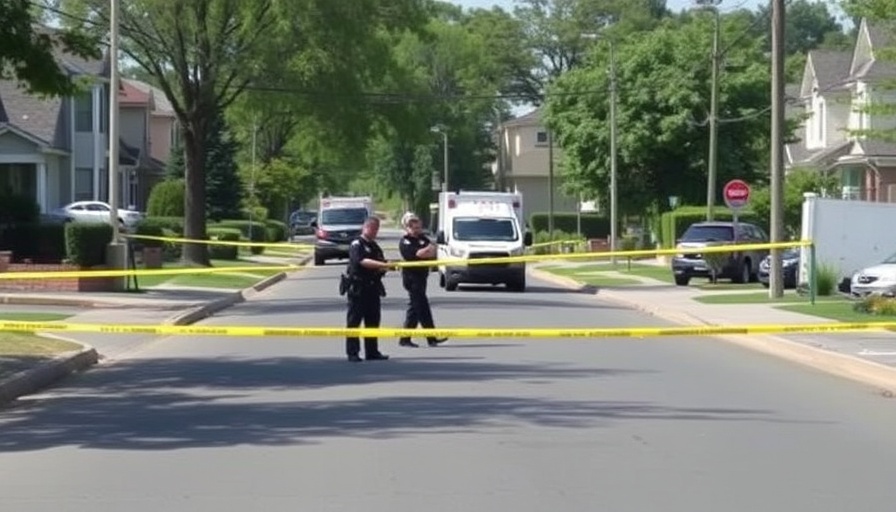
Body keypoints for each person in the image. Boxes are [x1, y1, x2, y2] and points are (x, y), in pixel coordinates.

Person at [343, 216, 393, 362]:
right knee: (354, 321)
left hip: (373, 288)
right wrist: (381, 265)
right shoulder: (356, 244)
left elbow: (381, 262)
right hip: (358, 288)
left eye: (376, 229)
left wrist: (387, 266)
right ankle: (353, 352)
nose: (375, 231)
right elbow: (362, 261)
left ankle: (372, 351)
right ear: (365, 227)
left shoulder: (374, 246)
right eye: (372, 228)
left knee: (373, 320)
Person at [397, 213, 447, 348]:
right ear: (407, 228)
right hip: (411, 279)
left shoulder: (422, 238)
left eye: (419, 228)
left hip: (422, 277)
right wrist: (427, 250)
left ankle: (406, 338)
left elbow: (432, 252)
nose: (418, 230)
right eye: (414, 228)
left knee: (415, 309)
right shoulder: (405, 241)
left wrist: (427, 250)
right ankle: (431, 338)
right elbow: (419, 254)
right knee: (422, 307)